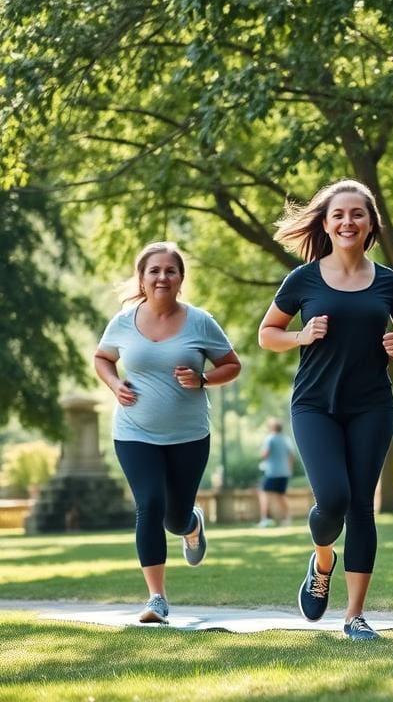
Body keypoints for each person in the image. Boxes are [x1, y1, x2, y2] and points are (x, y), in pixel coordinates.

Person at [258, 178, 393, 641]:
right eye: (339, 215)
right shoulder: (304, 279)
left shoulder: (391, 283)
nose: (348, 221)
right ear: (327, 225)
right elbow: (266, 333)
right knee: (331, 499)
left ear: (371, 223)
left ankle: (354, 617)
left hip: (371, 406)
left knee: (360, 507)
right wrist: (300, 335)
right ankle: (322, 559)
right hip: (314, 406)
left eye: (357, 214)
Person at [93, 241, 241, 625]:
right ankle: (156, 597)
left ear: (180, 279)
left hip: (189, 435)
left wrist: (203, 378)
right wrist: (113, 384)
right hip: (134, 432)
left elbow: (232, 365)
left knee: (173, 517)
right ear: (141, 279)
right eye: (153, 271)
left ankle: (190, 524)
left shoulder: (200, 322)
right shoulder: (123, 322)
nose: (162, 277)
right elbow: (102, 357)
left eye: (169, 271)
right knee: (150, 505)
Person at [257, 418, 296, 527]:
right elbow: (292, 455)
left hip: (272, 472)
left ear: (272, 428)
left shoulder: (270, 438)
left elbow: (264, 455)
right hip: (284, 472)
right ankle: (287, 519)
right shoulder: (286, 439)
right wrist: (288, 467)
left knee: (263, 494)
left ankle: (264, 520)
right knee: (281, 495)